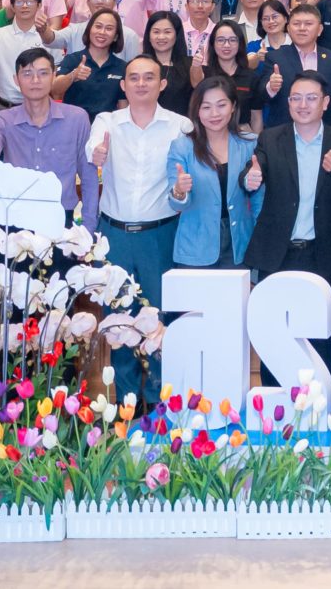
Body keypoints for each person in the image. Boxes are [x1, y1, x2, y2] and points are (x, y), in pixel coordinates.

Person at [87, 55, 193, 404]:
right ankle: (126, 401)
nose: (141, 83)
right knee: (118, 321)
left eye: (149, 77)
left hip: (159, 235)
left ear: (162, 84)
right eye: (134, 77)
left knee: (159, 318)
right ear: (123, 84)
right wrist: (98, 155)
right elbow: (93, 148)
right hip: (114, 235)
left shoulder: (180, 126)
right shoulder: (107, 121)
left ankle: (159, 400)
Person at [246, 73, 331, 372]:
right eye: (296, 98)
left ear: (325, 103)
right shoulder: (271, 138)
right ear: (288, 103)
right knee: (275, 337)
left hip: (323, 254)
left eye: (311, 98)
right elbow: (254, 170)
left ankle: (321, 400)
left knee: (320, 339)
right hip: (278, 254)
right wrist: (250, 177)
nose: (303, 105)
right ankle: (274, 400)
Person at [0, 47, 101, 228]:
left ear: (53, 76)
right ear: (16, 80)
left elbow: (88, 175)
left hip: (61, 219)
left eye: (43, 73)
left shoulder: (77, 118)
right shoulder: (2, 119)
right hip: (15, 220)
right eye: (27, 74)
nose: (35, 80)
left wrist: (89, 226)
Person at [166, 75, 262, 270]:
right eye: (206, 107)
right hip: (196, 245)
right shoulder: (182, 147)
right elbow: (175, 203)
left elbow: (259, 201)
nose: (214, 114)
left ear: (233, 106)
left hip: (239, 244)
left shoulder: (250, 144)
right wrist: (179, 191)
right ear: (197, 110)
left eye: (221, 105)